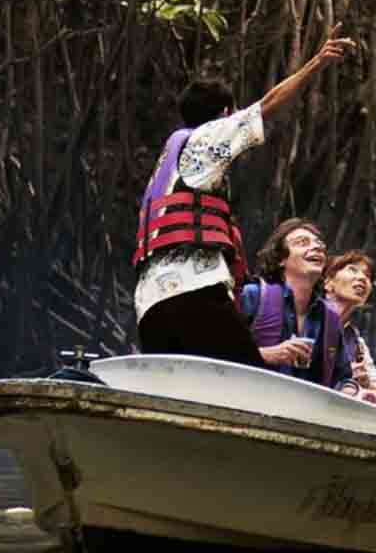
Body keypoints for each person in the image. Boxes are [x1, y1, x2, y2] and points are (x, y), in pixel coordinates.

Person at [132, 26, 355, 363]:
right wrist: (317, 63)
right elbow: (267, 106)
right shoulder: (206, 139)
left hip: (149, 303)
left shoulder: (167, 164)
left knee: (185, 376)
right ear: (225, 113)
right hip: (192, 290)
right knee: (241, 369)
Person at [239, 219, 355, 390]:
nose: (317, 247)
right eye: (302, 242)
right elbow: (215, 351)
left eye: (319, 245)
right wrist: (263, 355)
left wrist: (352, 391)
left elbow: (343, 378)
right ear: (281, 259)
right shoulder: (254, 296)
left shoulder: (329, 317)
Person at [322, 249, 376, 405]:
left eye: (367, 276)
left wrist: (367, 384)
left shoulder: (355, 341)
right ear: (328, 282)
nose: (362, 278)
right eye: (352, 270)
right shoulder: (308, 320)